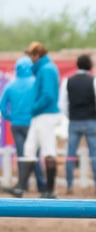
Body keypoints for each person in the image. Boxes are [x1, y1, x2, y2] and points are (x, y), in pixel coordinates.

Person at [5, 42, 60, 198]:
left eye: (31, 55)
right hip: (39, 115)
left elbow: (48, 95)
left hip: (45, 115)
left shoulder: (46, 70)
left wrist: (34, 107)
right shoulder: (44, 69)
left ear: (37, 55)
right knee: (29, 150)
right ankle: (21, 187)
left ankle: (50, 190)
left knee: (49, 151)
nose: (30, 59)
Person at [59, 54, 96, 194]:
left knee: (70, 154)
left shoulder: (67, 81)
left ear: (77, 65)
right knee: (94, 154)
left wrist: (71, 115)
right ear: (90, 66)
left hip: (74, 121)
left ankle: (69, 186)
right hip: (91, 120)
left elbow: (62, 104)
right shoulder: (95, 80)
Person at [0, 55, 46, 193]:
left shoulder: (11, 85)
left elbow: (2, 105)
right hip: (33, 124)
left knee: (21, 155)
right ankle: (41, 185)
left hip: (16, 124)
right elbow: (43, 101)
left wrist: (9, 116)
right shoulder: (36, 83)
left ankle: (23, 185)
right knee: (35, 155)